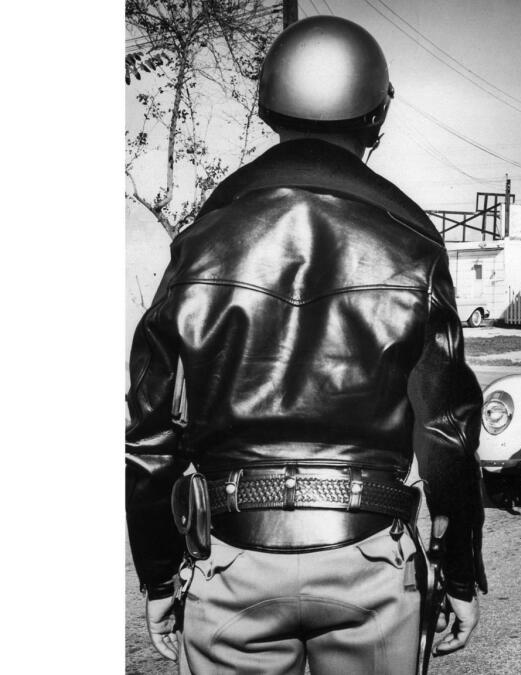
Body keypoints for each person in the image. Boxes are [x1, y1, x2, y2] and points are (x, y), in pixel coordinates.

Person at [125, 17, 485, 674]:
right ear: (375, 112)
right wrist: (459, 572)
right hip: (373, 559)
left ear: (268, 103)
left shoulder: (202, 237)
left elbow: (150, 433)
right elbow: (449, 433)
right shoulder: (412, 241)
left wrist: (156, 575)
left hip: (230, 557)